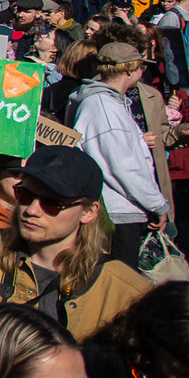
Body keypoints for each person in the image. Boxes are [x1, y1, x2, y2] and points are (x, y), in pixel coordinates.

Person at [0, 145, 150, 345]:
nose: (31, 210)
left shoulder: (127, 290)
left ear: (88, 212)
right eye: (25, 195)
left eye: (52, 203)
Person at [68, 42, 174, 267]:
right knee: (117, 284)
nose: (142, 72)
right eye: (141, 68)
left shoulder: (108, 103)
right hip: (116, 214)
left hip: (120, 210)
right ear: (129, 71)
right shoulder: (103, 106)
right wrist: (157, 205)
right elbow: (124, 167)